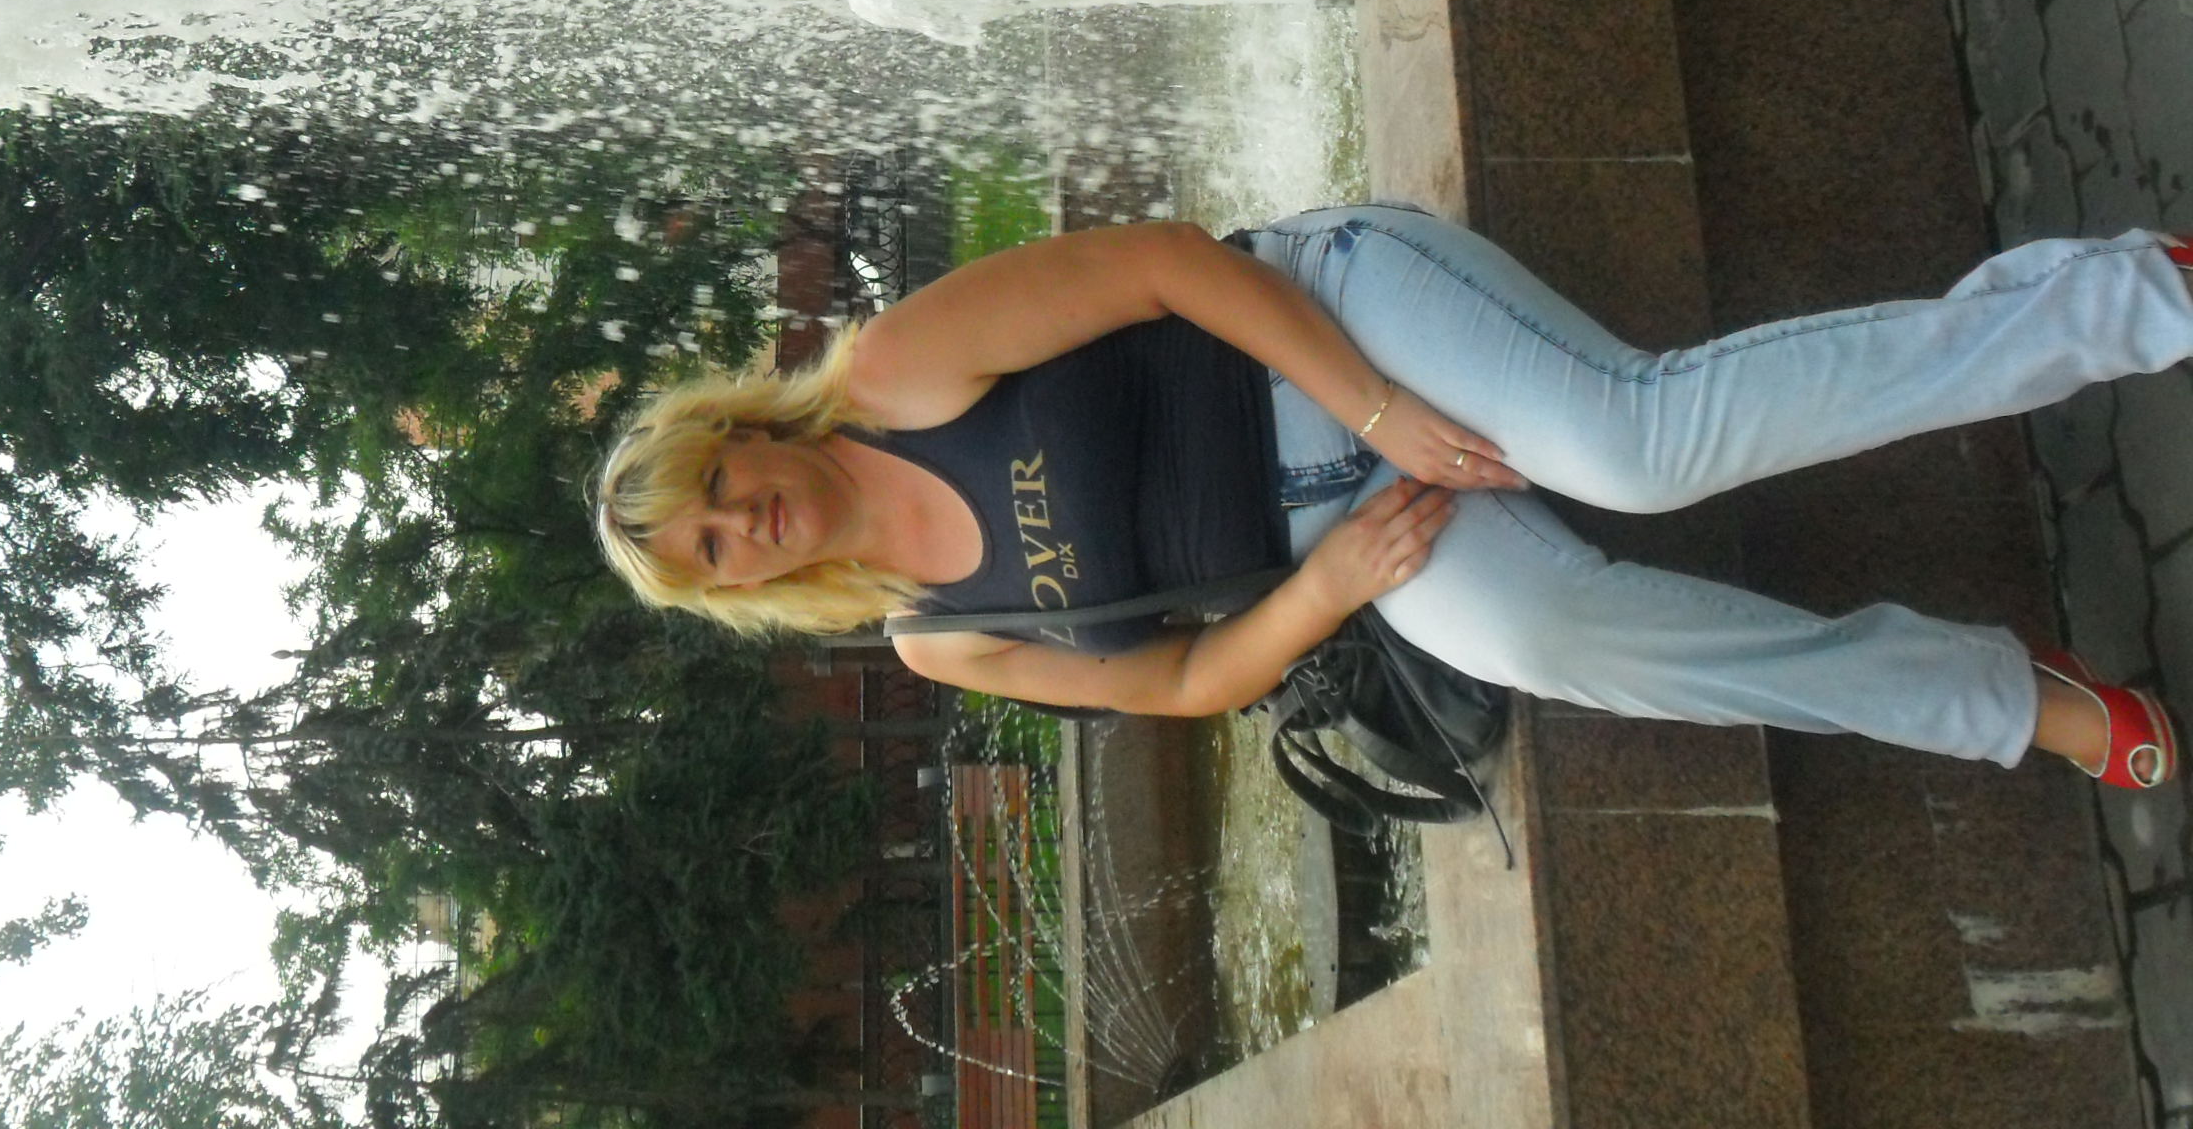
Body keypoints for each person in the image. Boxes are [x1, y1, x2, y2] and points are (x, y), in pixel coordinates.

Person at [594, 207, 2185, 788]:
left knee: (1635, 449)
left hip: (1334, 321)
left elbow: (1167, 264)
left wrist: (1376, 408)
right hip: (1357, 542)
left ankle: (2129, 297)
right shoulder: (937, 636)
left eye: (718, 485)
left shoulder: (894, 372)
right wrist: (1337, 582)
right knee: (1563, 642)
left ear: (740, 432)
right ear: (739, 591)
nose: (744, 521)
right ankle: (2006, 701)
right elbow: (1185, 683)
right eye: (714, 549)